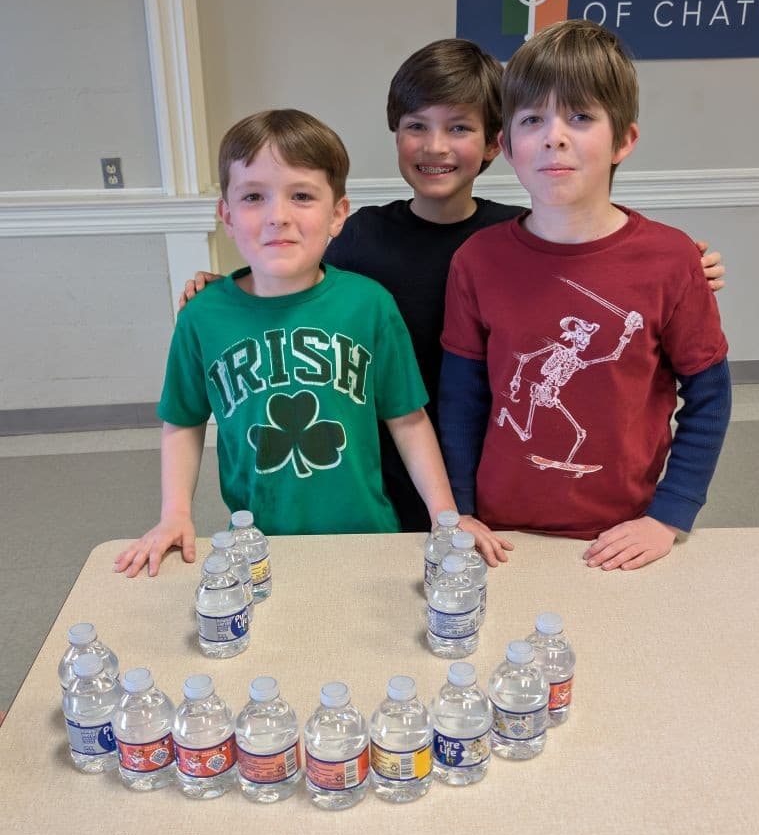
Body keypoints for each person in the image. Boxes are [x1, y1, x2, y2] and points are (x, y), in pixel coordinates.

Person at [179, 40, 725, 545]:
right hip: (380, 472)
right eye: (417, 125)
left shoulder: (520, 236)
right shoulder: (360, 237)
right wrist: (221, 287)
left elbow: (598, 262)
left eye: (459, 128)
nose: (435, 146)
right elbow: (286, 270)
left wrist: (686, 268)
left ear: (494, 144)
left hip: (481, 480)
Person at [113, 109, 500, 578]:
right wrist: (175, 513)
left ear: (338, 214)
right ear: (227, 215)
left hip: (368, 534)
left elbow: (408, 420)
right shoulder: (202, 316)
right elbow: (182, 422)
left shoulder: (369, 304)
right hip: (257, 544)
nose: (279, 216)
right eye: (254, 196)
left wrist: (444, 515)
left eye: (301, 196)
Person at [439, 19, 732, 572]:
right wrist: (460, 510)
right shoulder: (477, 261)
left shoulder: (671, 261)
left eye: (580, 116)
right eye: (532, 119)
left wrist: (669, 515)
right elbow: (462, 400)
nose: (555, 136)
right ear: (505, 146)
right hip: (499, 533)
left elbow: (710, 398)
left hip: (623, 531)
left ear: (624, 139)